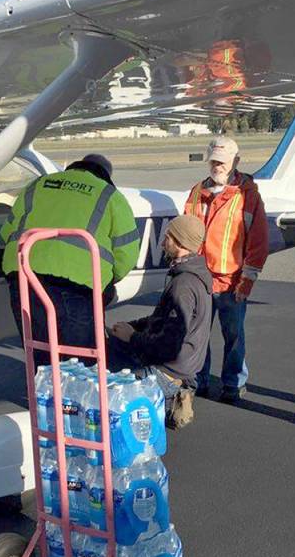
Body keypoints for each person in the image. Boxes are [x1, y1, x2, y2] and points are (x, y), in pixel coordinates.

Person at [0, 154, 140, 364]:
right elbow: (127, 253)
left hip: (23, 275)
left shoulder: (37, 185)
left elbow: (7, 231)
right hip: (76, 285)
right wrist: (107, 282)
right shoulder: (109, 195)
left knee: (41, 351)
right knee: (81, 358)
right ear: (105, 175)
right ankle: (76, 396)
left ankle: (45, 394)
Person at [183, 136, 268, 403]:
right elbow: (186, 232)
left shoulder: (248, 195)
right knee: (198, 335)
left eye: (222, 162)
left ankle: (234, 383)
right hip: (200, 279)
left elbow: (258, 240)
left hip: (231, 282)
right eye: (213, 162)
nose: (216, 166)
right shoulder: (197, 192)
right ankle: (199, 380)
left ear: (236, 162)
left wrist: (248, 279)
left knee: (233, 336)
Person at [107, 214, 212, 427]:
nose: (163, 243)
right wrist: (131, 327)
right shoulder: (193, 276)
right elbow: (161, 321)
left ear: (181, 243)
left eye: (168, 238)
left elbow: (168, 346)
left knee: (104, 387)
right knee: (115, 343)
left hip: (169, 372)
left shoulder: (183, 286)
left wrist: (132, 337)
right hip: (181, 368)